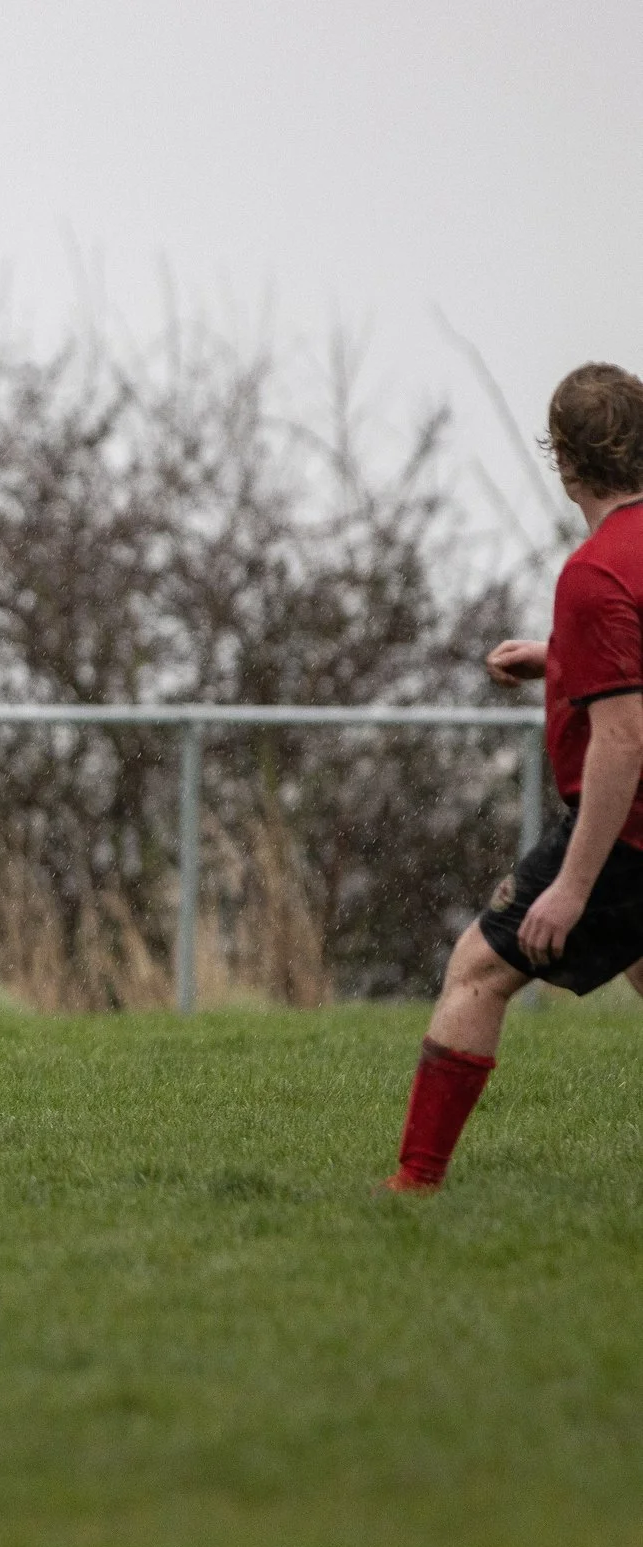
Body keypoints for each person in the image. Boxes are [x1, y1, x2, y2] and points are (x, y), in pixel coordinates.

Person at [388, 362, 643, 1190]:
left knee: (477, 969)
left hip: (629, 831)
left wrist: (572, 886)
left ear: (565, 461)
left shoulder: (594, 571)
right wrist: (563, 658)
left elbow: (623, 740)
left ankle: (413, 1187)